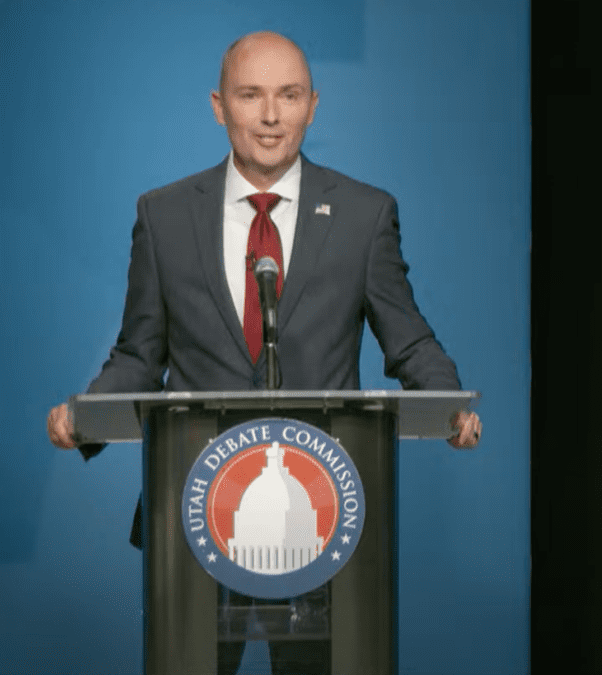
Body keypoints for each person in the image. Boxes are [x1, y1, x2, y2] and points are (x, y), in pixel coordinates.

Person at [45, 31, 481, 675]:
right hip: (194, 512)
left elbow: (407, 336)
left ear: (313, 103)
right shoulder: (163, 216)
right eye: (251, 95)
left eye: (289, 95)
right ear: (220, 106)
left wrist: (449, 406)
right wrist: (84, 419)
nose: (271, 116)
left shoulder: (365, 215)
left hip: (323, 510)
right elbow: (140, 355)